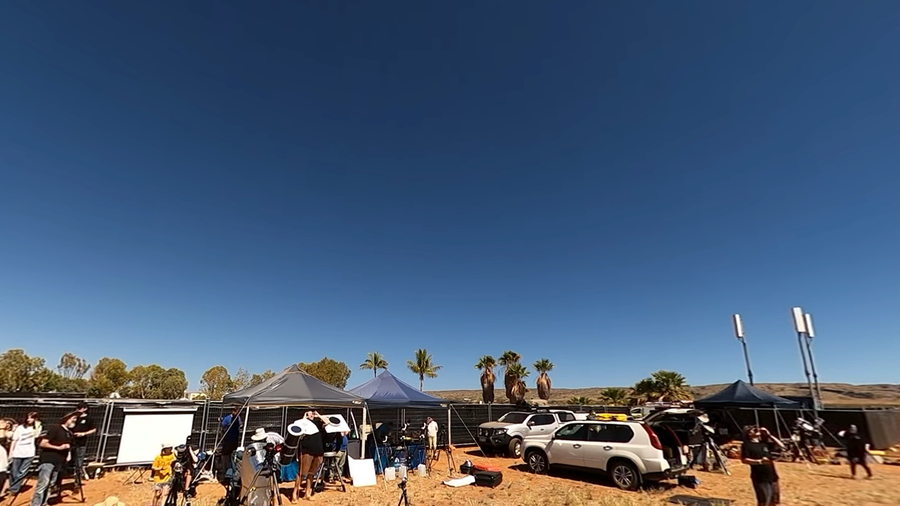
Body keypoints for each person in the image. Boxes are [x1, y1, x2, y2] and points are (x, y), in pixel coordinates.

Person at [30, 412, 76, 506]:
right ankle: (35, 504)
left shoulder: (69, 433)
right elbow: (43, 443)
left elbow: (68, 446)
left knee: (51, 484)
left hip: (59, 461)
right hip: (48, 460)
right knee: (43, 484)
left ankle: (44, 503)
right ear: (66, 419)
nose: (74, 421)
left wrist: (68, 454)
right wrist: (58, 447)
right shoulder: (56, 428)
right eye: (73, 418)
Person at [291, 411, 334, 502]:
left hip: (318, 451)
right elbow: (298, 426)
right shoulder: (303, 424)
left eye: (312, 413)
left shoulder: (318, 424)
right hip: (307, 451)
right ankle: (294, 493)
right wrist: (304, 417)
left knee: (312, 474)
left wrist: (318, 415)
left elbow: (328, 422)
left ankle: (307, 493)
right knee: (302, 473)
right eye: (309, 413)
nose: (311, 415)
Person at [741, 425, 786, 506]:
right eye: (752, 430)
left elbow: (782, 446)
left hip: (772, 475)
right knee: (764, 501)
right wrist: (759, 461)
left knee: (774, 501)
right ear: (748, 434)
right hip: (760, 478)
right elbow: (744, 460)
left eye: (756, 429)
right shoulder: (747, 445)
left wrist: (769, 435)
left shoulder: (763, 443)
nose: (755, 430)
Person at [8, 412, 39, 496]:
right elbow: (14, 440)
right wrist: (11, 452)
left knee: (22, 472)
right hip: (18, 452)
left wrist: (37, 426)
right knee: (14, 471)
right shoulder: (20, 428)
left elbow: (37, 436)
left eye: (32, 418)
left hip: (29, 453)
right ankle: (12, 486)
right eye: (28, 418)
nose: (29, 419)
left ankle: (14, 489)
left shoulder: (35, 428)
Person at [71, 402, 97, 481]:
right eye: (77, 408)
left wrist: (83, 434)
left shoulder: (89, 419)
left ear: (85, 409)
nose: (78, 410)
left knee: (79, 462)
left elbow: (94, 429)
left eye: (80, 408)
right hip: (70, 442)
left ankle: (77, 480)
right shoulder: (73, 418)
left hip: (81, 443)